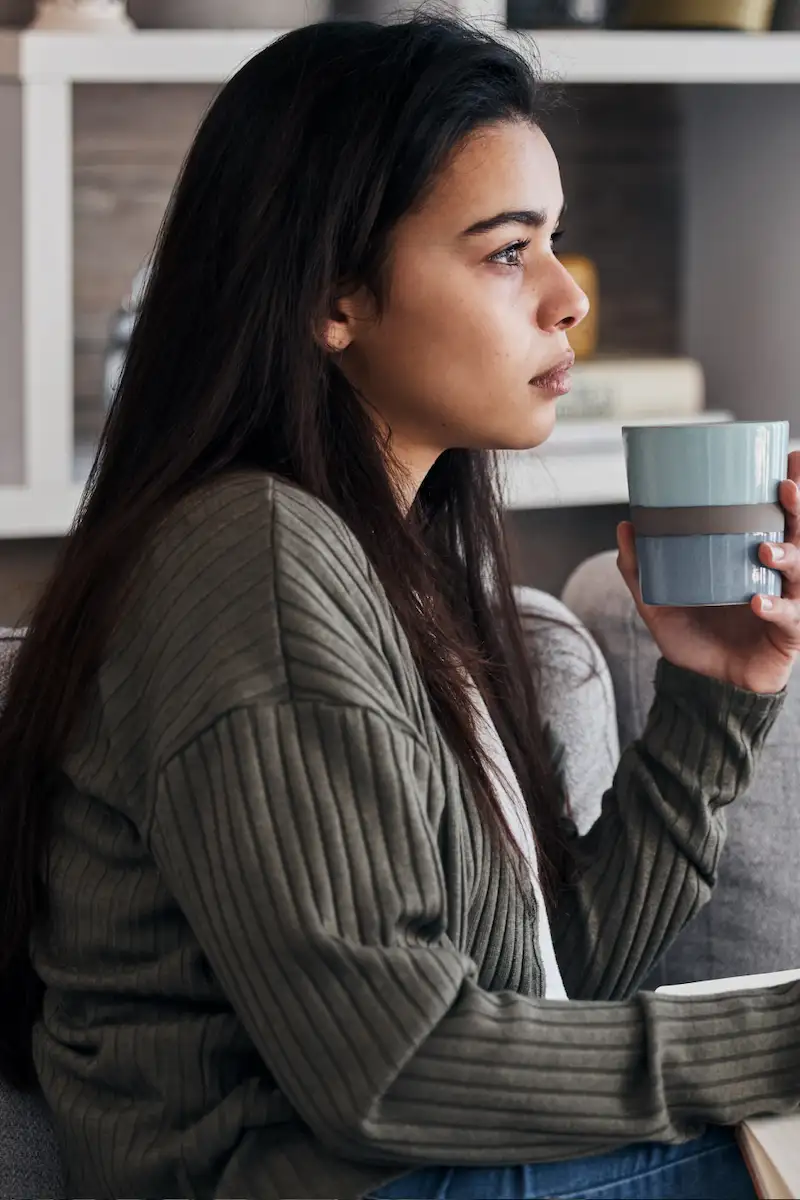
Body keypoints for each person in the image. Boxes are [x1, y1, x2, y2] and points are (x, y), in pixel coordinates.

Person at [1, 11, 799, 1200]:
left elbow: (534, 997)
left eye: (553, 242)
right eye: (502, 251)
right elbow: (396, 1071)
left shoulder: (395, 570)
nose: (565, 299)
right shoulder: (250, 561)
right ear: (333, 297)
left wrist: (707, 698)